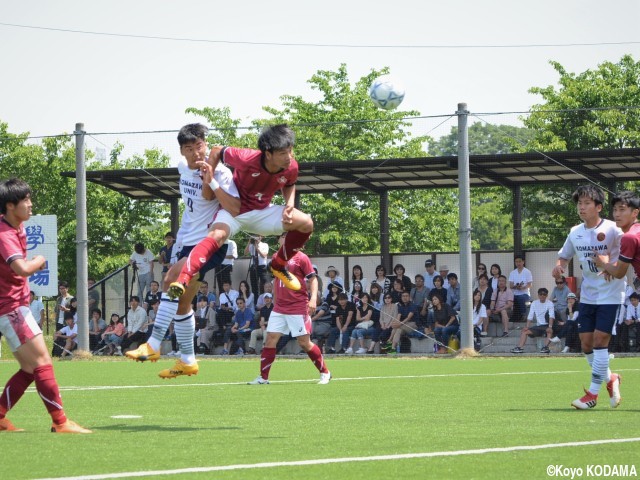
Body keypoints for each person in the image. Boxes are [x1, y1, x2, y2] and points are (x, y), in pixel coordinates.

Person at [125, 123, 240, 378]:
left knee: (169, 280)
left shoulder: (220, 172)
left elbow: (214, 200)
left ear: (206, 144)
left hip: (209, 243)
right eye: (189, 149)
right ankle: (187, 360)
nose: (196, 153)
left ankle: (152, 344)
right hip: (186, 242)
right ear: (181, 151)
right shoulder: (181, 168)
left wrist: (207, 175)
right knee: (182, 304)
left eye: (200, 146)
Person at [169, 124, 314, 300]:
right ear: (268, 154)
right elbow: (216, 151)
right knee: (216, 235)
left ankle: (278, 264)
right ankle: (183, 279)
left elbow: (290, 184)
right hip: (233, 211)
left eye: (290, 151)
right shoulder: (246, 158)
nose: (289, 157)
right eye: (283, 153)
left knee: (306, 223)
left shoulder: (291, 166)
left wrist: (289, 203)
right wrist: (210, 176)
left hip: (262, 212)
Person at [0, 178, 90, 433]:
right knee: (42, 363)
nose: (30, 204)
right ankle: (60, 422)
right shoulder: (5, 234)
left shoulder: (16, 228)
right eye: (25, 200)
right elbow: (22, 268)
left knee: (30, 369)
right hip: (12, 310)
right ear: (10, 205)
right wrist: (39, 260)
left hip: (14, 308)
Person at [553, 185, 624, 410]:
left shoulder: (614, 230)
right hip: (589, 295)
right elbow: (563, 257)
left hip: (611, 294)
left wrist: (610, 265)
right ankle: (611, 379)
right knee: (586, 343)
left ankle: (592, 394)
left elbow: (626, 257)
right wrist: (558, 267)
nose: (581, 208)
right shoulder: (575, 232)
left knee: (601, 340)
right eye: (579, 204)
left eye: (586, 204)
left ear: (599, 207)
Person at [248, 236, 330, 385]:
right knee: (270, 340)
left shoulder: (302, 258)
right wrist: (262, 251)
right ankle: (263, 378)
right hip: (279, 307)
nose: (283, 239)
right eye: (282, 237)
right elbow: (269, 269)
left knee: (304, 343)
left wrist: (312, 300)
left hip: (297, 307)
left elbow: (313, 279)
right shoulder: (276, 257)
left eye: (286, 236)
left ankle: (325, 372)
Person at [595, 191, 640, 353]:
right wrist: (612, 266)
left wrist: (603, 263)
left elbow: (620, 273)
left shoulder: (629, 237)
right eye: (615, 210)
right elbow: (621, 266)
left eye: (622, 210)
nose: (617, 214)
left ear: (635, 212)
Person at [510, 287, 555, 354]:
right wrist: (527, 326)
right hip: (538, 326)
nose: (542, 296)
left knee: (549, 331)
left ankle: (545, 347)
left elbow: (551, 316)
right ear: (538, 295)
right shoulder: (534, 303)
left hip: (546, 325)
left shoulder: (550, 303)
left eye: (544, 294)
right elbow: (530, 316)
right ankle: (520, 347)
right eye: (541, 294)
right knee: (525, 331)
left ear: (547, 295)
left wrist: (550, 326)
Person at [508, 255, 533, 323]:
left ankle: (523, 315)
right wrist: (516, 287)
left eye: (519, 261)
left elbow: (530, 284)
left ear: (523, 262)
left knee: (520, 298)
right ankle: (512, 316)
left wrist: (523, 287)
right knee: (511, 298)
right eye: (516, 262)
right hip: (515, 293)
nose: (518, 263)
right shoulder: (512, 273)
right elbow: (511, 285)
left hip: (525, 294)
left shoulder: (527, 272)